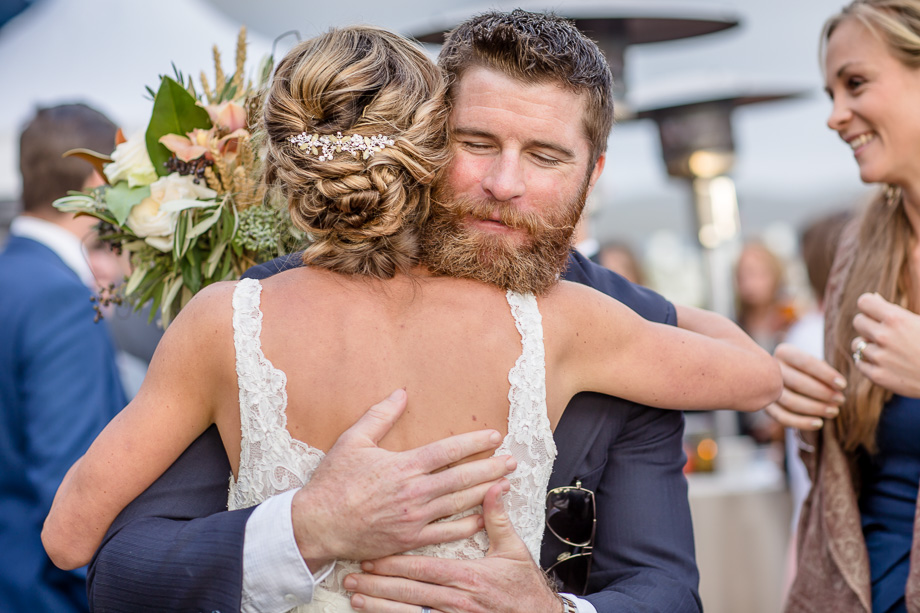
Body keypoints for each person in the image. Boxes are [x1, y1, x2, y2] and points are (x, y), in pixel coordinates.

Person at [75, 13, 773, 613]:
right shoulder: (247, 313)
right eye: (476, 144)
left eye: (545, 155)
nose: (504, 184)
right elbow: (122, 567)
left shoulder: (604, 319)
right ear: (425, 144)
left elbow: (668, 590)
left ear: (593, 175)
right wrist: (300, 528)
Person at [766, 2, 920, 611]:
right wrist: (807, 405)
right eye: (830, 91)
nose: (834, 116)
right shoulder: (860, 246)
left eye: (855, 84)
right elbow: (851, 473)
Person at [0, 104, 127, 612]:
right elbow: (68, 488)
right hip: (43, 594)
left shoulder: (11, 276)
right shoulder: (63, 301)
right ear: (97, 179)